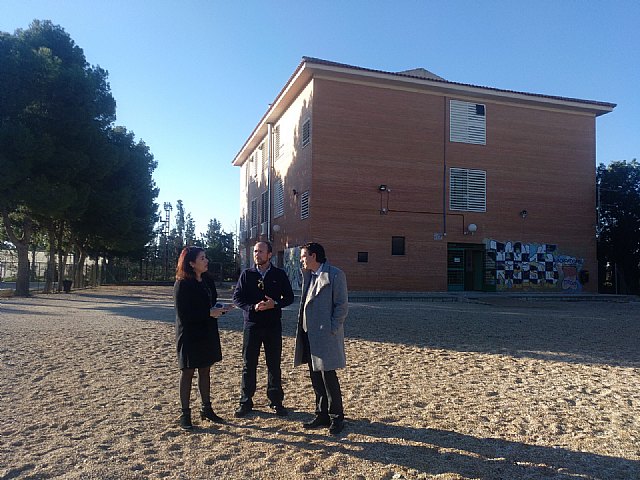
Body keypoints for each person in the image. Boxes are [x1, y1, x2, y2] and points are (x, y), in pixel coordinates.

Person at [232, 241, 295, 417]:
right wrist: (253, 307)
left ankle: (276, 401)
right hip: (252, 325)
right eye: (255, 251)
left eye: (260, 251)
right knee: (248, 364)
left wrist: (275, 304)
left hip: (273, 325)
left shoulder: (279, 274)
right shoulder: (247, 274)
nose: (257, 254)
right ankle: (245, 401)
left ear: (269, 254)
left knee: (274, 364)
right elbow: (237, 298)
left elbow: (289, 297)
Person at [294, 242, 349, 435]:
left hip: (326, 334)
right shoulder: (309, 275)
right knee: (315, 375)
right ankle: (321, 413)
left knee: (329, 377)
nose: (301, 260)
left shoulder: (335, 275)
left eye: (303, 256)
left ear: (313, 256)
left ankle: (337, 417)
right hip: (310, 334)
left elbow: (341, 306)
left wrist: (332, 329)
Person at [174, 246, 230, 430]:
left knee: (205, 369)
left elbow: (211, 303)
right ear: (191, 263)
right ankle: (185, 414)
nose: (206, 261)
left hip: (207, 331)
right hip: (190, 334)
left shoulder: (207, 280)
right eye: (202, 258)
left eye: (205, 257)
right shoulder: (182, 284)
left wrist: (221, 308)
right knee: (188, 372)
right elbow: (185, 315)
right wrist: (209, 312)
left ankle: (206, 408)